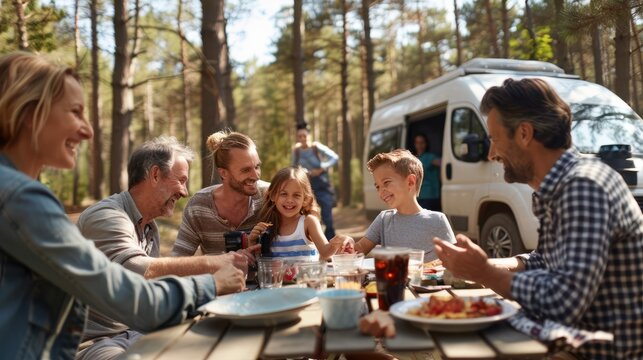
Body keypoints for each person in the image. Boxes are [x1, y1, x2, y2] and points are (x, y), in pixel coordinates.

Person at [367, 78, 643, 359]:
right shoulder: (564, 184)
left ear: (524, 134)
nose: (491, 153)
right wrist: (488, 263)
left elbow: (563, 301)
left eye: (495, 139)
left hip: (593, 349)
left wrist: (484, 273)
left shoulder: (583, 187)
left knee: (418, 348)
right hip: (560, 334)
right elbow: (546, 260)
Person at [0, 52, 221, 359]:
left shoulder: (16, 193)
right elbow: (127, 294)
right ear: (28, 112)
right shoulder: (20, 197)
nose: (88, 130)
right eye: (75, 112)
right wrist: (211, 282)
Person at [75, 136, 249, 359]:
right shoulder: (106, 216)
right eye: (181, 180)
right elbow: (135, 270)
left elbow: (150, 296)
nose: (185, 192)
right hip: (94, 343)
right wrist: (215, 264)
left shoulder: (149, 228)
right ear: (155, 174)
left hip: (137, 332)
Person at [341, 149, 455, 259]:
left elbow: (455, 260)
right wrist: (349, 246)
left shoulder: (437, 220)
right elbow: (359, 249)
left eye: (386, 182)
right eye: (377, 187)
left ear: (410, 182)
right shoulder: (384, 219)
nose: (381, 191)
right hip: (393, 278)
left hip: (426, 279)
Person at [171, 130, 269, 256]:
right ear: (223, 173)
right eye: (246, 170)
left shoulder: (270, 196)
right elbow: (179, 261)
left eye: (257, 167)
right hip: (216, 276)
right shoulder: (199, 207)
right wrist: (216, 264)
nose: (255, 176)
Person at [250, 166, 344, 261]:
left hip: (308, 276)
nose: (289, 200)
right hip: (277, 276)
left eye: (296, 195)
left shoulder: (308, 222)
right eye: (284, 194)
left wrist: (336, 243)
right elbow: (258, 261)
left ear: (305, 199)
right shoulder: (266, 226)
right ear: (273, 196)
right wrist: (252, 241)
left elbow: (325, 252)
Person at [292, 122, 339, 239]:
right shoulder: (296, 151)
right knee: (310, 215)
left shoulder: (316, 147)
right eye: (300, 136)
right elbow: (293, 167)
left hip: (322, 184)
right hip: (307, 186)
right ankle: (315, 242)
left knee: (327, 215)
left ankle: (331, 243)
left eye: (304, 136)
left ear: (309, 135)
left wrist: (322, 167)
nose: (303, 138)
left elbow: (334, 157)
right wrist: (301, 172)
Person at [413, 133, 441, 211]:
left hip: (430, 197)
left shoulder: (430, 156)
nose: (420, 145)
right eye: (417, 143)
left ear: (426, 144)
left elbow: (443, 163)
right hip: (418, 197)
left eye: (422, 143)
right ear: (415, 144)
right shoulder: (413, 159)